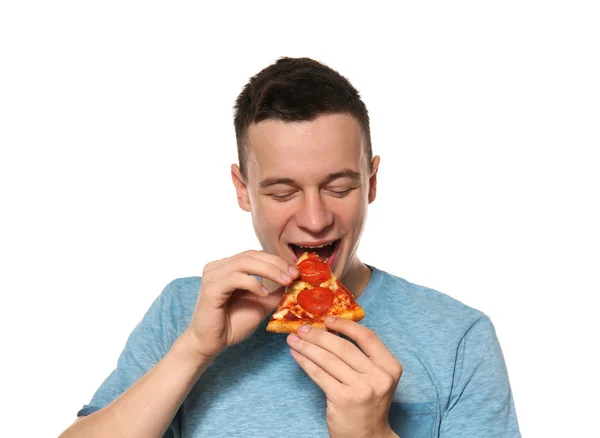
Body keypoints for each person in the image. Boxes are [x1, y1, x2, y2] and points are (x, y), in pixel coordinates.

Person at [59, 57, 520, 438]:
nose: (316, 220)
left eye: (339, 187)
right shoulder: (185, 311)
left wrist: (373, 433)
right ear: (243, 190)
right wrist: (196, 349)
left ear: (372, 181)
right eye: (283, 193)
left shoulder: (460, 336)